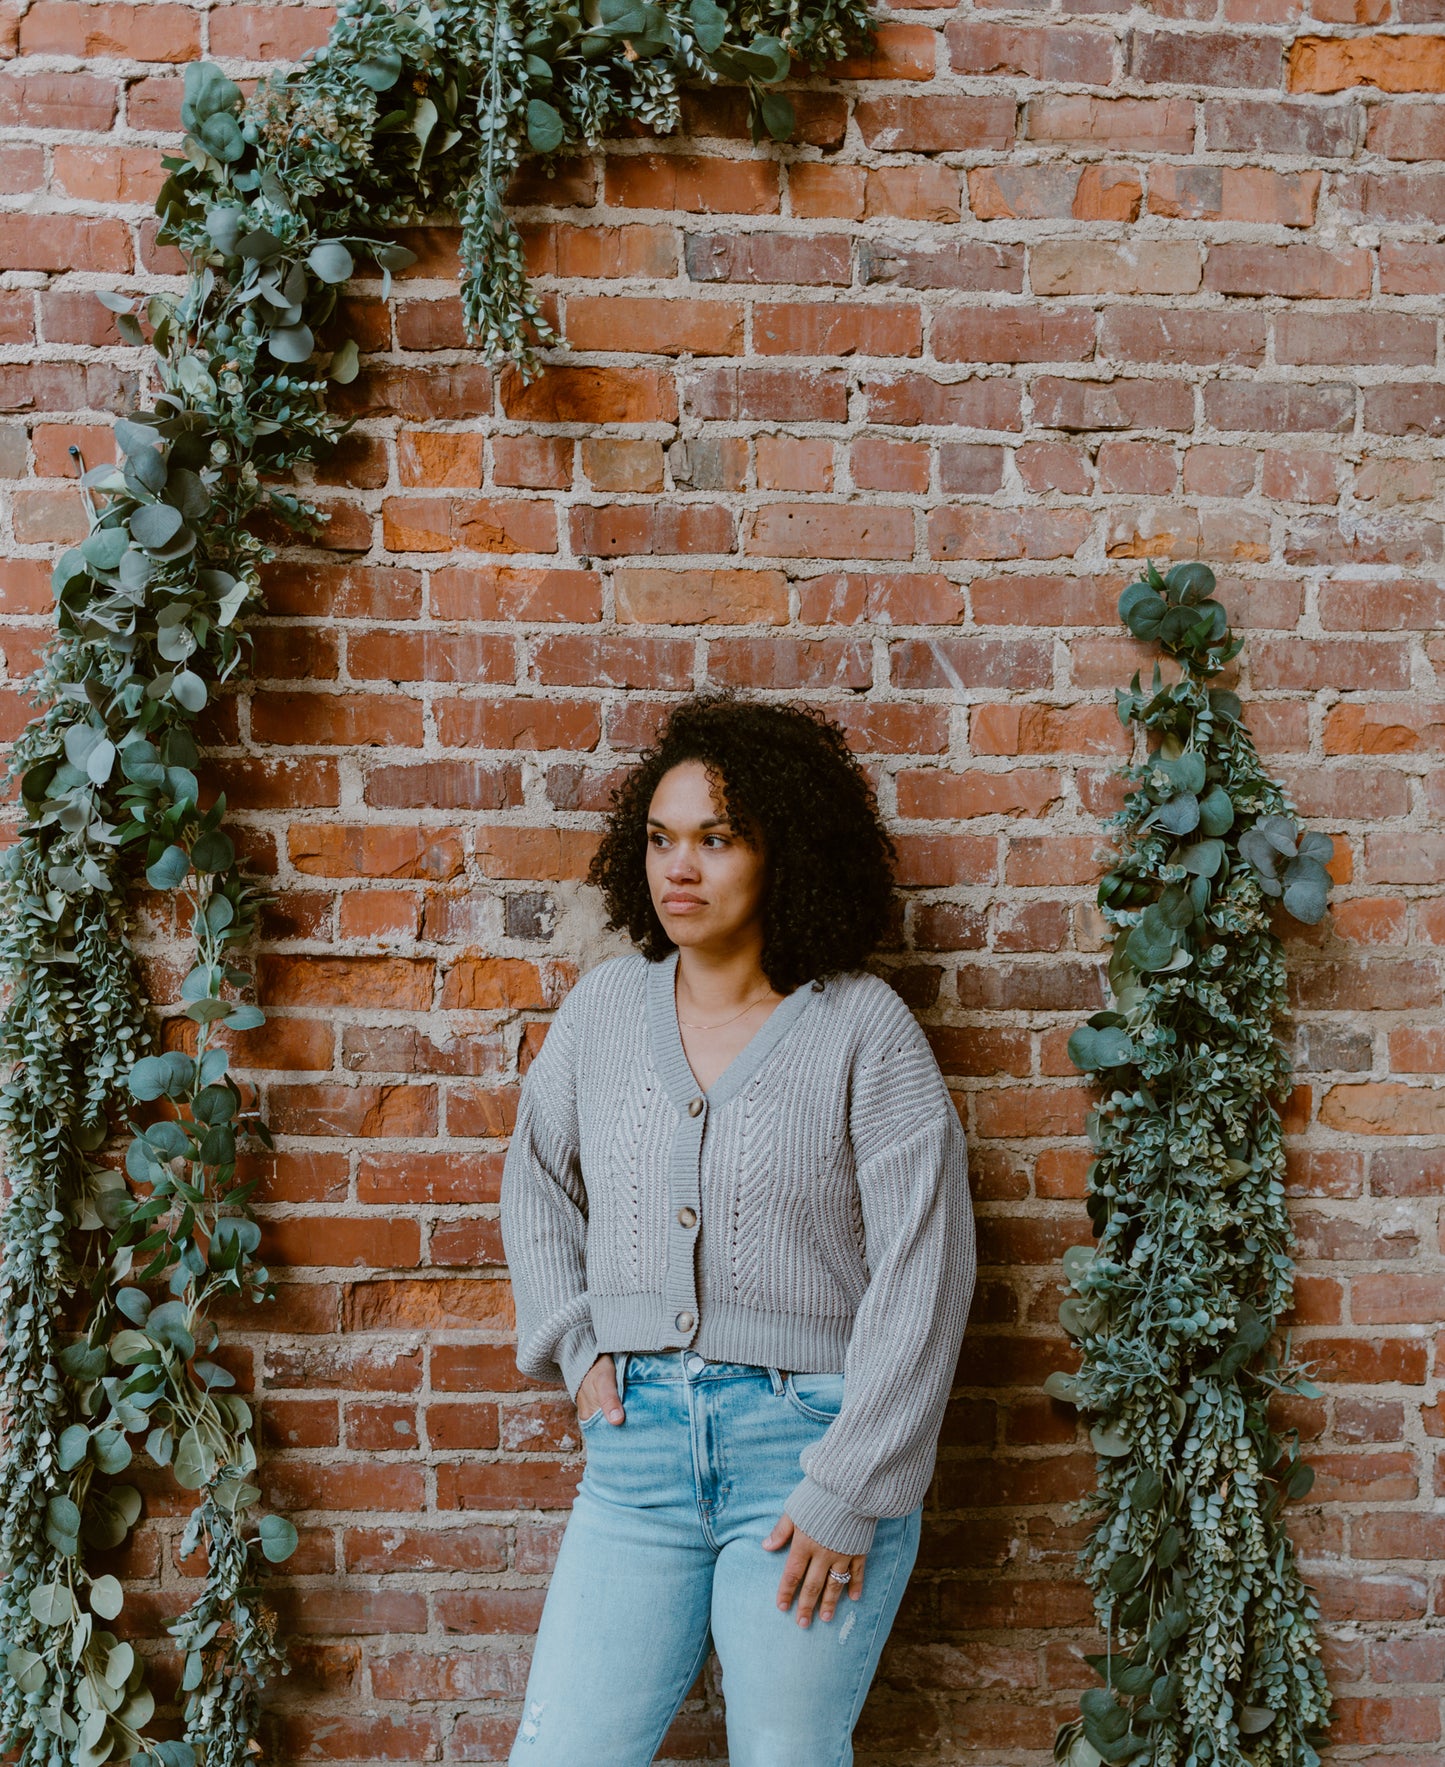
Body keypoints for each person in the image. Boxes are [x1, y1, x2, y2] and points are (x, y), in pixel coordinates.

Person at [500, 691, 976, 1766]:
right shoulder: (607, 1011)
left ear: (784, 854)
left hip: (803, 1455)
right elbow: (533, 1181)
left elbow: (924, 1271)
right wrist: (577, 1348)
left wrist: (846, 1486)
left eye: (716, 841)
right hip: (637, 1463)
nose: (681, 870)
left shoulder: (861, 1030)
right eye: (663, 840)